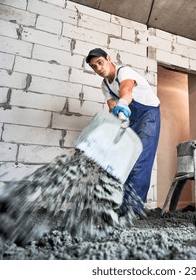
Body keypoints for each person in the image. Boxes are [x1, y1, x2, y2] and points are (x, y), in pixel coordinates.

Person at [86, 48, 161, 215]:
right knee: (123, 160)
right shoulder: (104, 85)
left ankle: (133, 210)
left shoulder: (124, 72)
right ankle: (120, 205)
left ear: (108, 59)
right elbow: (112, 106)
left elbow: (126, 90)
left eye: (100, 62)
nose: (98, 68)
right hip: (129, 118)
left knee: (140, 160)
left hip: (148, 114)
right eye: (94, 66)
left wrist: (123, 105)